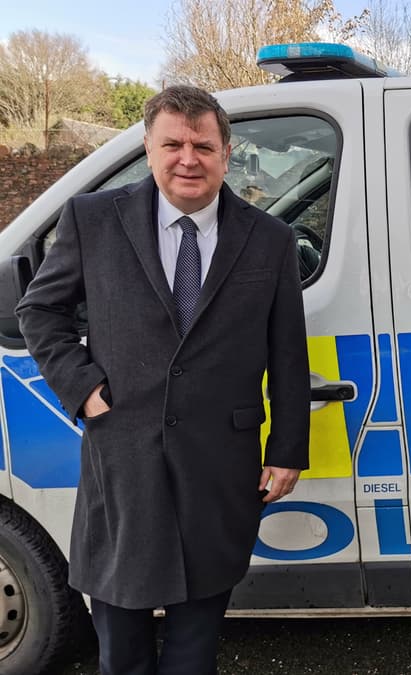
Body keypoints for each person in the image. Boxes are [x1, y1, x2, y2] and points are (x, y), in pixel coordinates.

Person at [16, 85, 310, 675]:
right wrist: (82, 389)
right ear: (149, 149)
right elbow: (38, 310)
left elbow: (287, 353)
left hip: (219, 466)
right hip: (123, 459)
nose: (188, 158)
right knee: (120, 646)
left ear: (227, 153)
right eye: (172, 143)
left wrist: (287, 450)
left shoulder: (270, 239)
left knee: (194, 648)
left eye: (203, 145)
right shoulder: (93, 219)